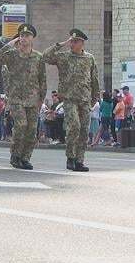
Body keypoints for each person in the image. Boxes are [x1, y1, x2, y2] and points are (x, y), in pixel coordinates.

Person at [43, 28, 100, 172]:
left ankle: (79, 160)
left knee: (84, 131)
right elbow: (46, 56)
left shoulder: (89, 58)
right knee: (74, 126)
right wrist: (61, 43)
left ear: (82, 43)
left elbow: (94, 79)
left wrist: (94, 99)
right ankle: (70, 158)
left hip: (85, 100)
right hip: (69, 99)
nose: (72, 44)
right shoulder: (63, 57)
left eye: (75, 41)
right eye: (71, 41)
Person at [0, 23, 46, 169]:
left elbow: (42, 79)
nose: (24, 38)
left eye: (27, 35)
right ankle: (15, 155)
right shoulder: (12, 55)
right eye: (21, 35)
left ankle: (25, 157)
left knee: (32, 130)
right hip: (16, 98)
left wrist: (41, 98)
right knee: (21, 126)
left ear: (32, 38)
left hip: (33, 99)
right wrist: (8, 45)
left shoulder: (38, 57)